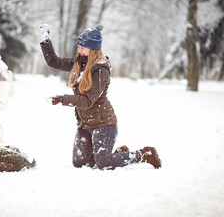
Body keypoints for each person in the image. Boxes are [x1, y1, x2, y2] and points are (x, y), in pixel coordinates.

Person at [39, 23, 161, 170]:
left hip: (103, 124)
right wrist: (46, 40)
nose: (79, 50)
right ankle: (113, 154)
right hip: (85, 124)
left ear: (93, 49)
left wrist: (62, 99)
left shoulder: (101, 69)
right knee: (79, 163)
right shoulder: (78, 63)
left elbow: (87, 101)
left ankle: (143, 154)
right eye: (79, 47)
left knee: (103, 163)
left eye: (83, 48)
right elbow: (53, 61)